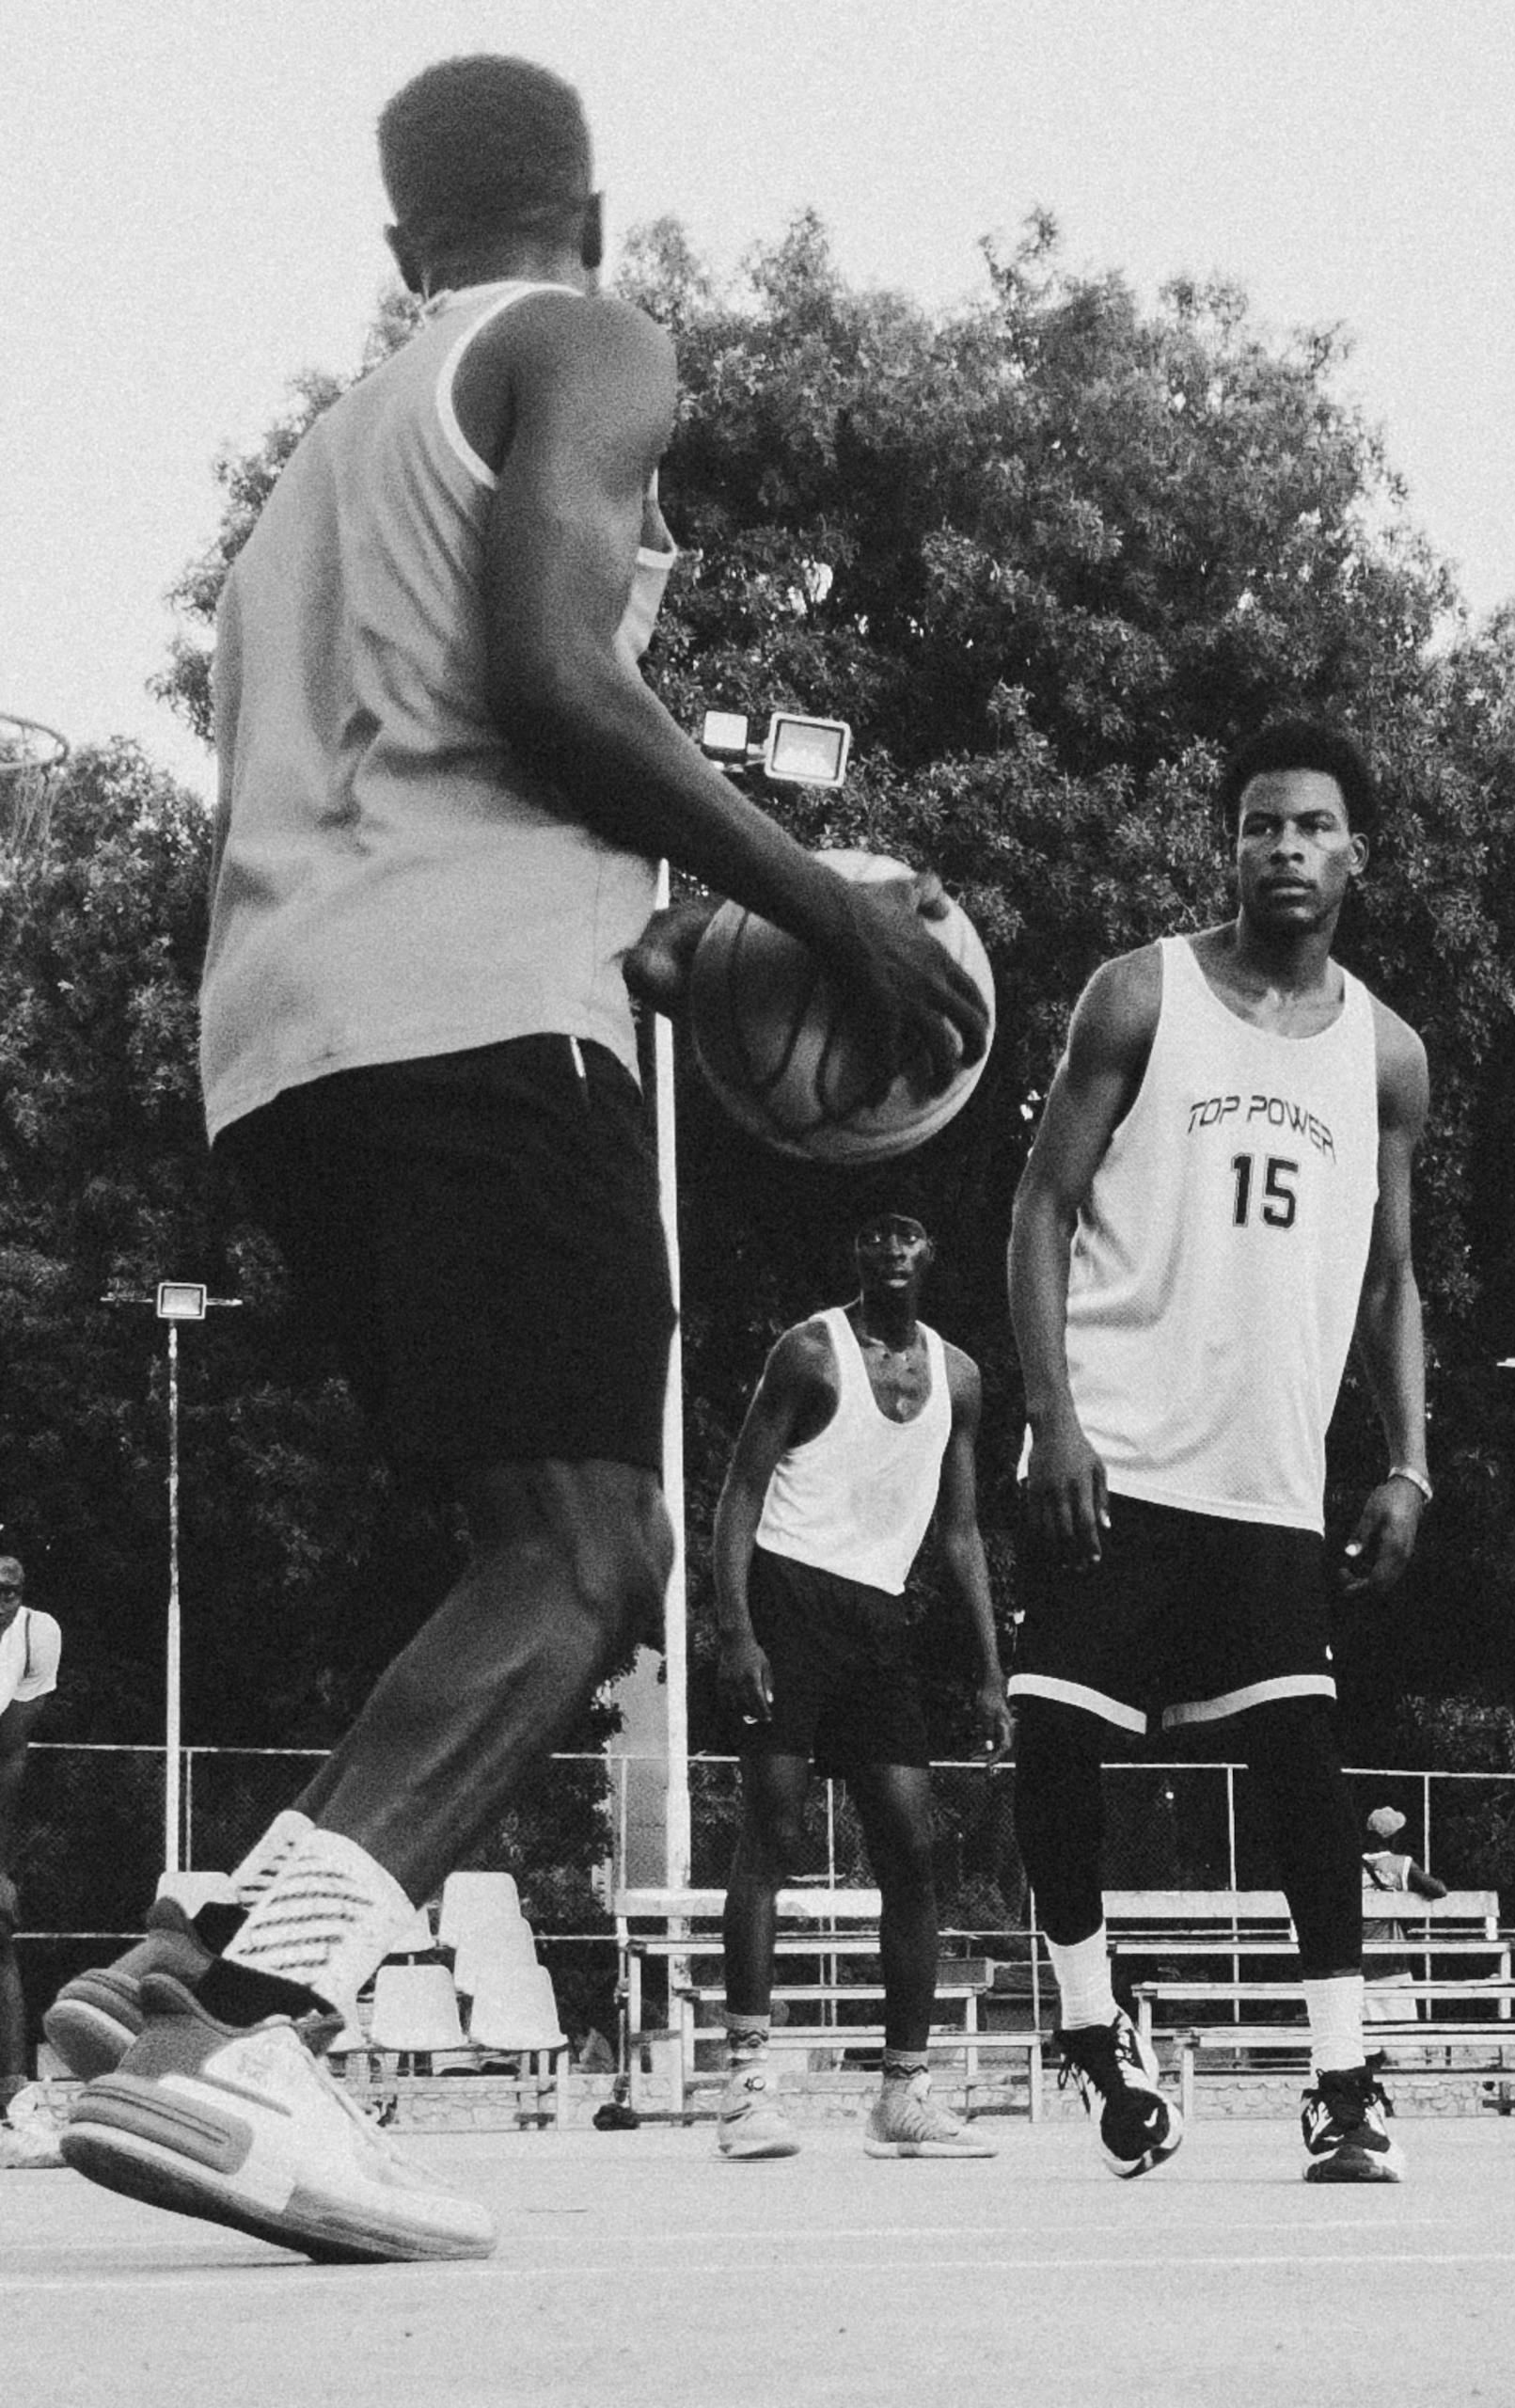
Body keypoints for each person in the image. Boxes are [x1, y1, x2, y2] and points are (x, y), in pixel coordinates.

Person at [54, 55, 985, 2263]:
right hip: (470, 1022)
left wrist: (661, 936)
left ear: (399, 249)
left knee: (510, 1541)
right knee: (590, 1554)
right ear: (592, 208)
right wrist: (822, 899)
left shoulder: (318, 473)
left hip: (288, 1041)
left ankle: (168, 1979)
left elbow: (430, 753)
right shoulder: (579, 341)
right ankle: (255, 2031)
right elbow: (551, 680)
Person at [1007, 720, 1430, 2183]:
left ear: (1354, 854)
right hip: (1117, 1448)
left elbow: (1390, 1279)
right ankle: (1086, 2025)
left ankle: (1343, 2080)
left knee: (1300, 1764)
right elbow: (1038, 1208)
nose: (1283, 850)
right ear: (1230, 846)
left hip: (1266, 1481)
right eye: (1259, 826)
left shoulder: (1386, 1053)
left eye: (1311, 827)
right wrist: (1054, 1418)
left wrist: (1407, 1459)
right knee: (1053, 1734)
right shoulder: (1142, 995)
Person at [712, 1212, 1013, 2162]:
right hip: (789, 1591)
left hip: (880, 1615)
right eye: (873, 1234)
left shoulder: (958, 1378)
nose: (890, 1249)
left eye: (909, 1235)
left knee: (912, 1847)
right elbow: (739, 1490)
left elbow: (960, 1531)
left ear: (932, 1255)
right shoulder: (809, 1352)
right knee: (774, 1830)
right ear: (854, 1253)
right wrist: (736, 1629)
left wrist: (990, 1672)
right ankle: (748, 2087)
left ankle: (904, 2092)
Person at [0, 1557, 64, 2168]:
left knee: (0, 1927)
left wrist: (2, 1865)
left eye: (10, 1591)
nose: (1, 1600)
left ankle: (15, 2104)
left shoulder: (36, 1635)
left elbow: (11, 1754)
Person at [1361, 1803, 1444, 2021]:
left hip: (1356, 1959)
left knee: (1365, 2035)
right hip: (1391, 1960)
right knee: (1401, 2030)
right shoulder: (1401, 1864)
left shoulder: (1351, 1865)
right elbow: (1438, 1890)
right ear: (1394, 1837)